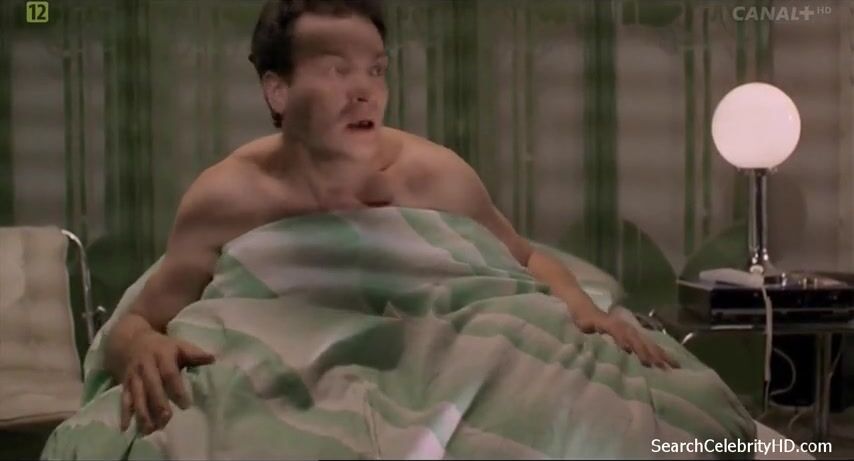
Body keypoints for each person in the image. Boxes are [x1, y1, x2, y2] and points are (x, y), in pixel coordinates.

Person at [104, 0, 678, 437]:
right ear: (278, 91)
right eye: (337, 72)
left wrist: (582, 308)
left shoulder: (433, 175)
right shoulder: (229, 196)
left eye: (376, 71)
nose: (364, 92)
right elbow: (138, 321)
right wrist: (140, 346)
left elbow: (526, 258)